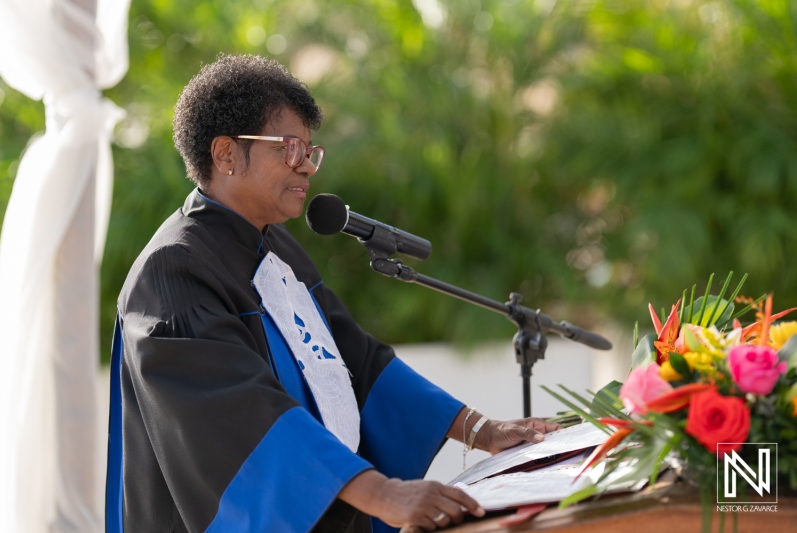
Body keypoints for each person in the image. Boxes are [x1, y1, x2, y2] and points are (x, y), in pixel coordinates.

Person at [105, 54, 560, 533]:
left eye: (309, 151)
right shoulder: (173, 273)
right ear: (225, 155)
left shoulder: (276, 247)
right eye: (289, 148)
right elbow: (242, 414)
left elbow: (358, 361)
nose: (306, 167)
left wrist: (482, 431)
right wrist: (383, 494)